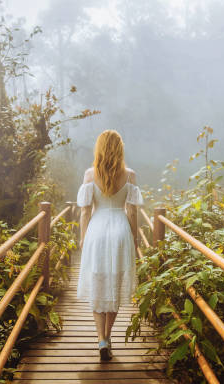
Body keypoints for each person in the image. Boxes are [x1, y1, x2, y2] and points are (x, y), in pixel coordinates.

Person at [76, 129, 143, 361]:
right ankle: (108, 334)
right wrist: (134, 238)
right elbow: (132, 211)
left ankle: (100, 339)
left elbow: (85, 212)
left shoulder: (89, 175)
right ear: (120, 148)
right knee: (114, 283)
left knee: (98, 281)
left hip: (97, 229)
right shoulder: (130, 176)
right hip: (120, 230)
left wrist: (83, 238)